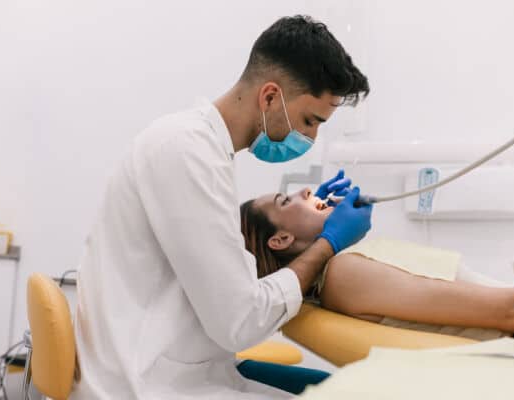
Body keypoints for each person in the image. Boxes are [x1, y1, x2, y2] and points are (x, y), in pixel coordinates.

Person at [72, 16, 373, 400]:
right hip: (147, 384)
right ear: (269, 97)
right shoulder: (186, 152)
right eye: (309, 121)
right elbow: (239, 321)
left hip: (182, 368)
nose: (311, 138)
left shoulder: (203, 150)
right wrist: (328, 242)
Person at [240, 185, 514, 340]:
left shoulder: (343, 269)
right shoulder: (343, 274)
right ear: (280, 240)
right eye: (286, 200)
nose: (307, 191)